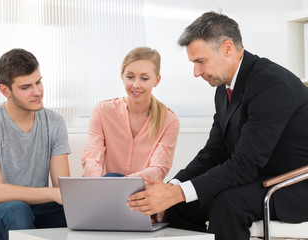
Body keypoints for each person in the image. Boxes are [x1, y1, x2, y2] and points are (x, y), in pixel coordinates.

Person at [127, 11, 308, 240]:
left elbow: (245, 165)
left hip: (294, 185)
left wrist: (177, 192)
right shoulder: (224, 89)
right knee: (174, 208)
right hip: (258, 180)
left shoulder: (272, 84)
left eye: (201, 62)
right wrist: (171, 188)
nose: (196, 72)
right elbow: (213, 153)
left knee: (227, 203)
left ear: (227, 48)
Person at [0, 48, 71, 240]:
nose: (37, 92)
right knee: (17, 210)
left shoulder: (54, 122)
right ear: (4, 90)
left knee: (72, 212)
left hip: (31, 209)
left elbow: (63, 188)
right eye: (26, 87)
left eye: (38, 82)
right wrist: (52, 193)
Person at [82, 47, 180, 180]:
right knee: (111, 177)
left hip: (142, 192)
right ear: (122, 76)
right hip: (107, 187)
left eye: (144, 78)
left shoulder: (169, 120)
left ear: (157, 80)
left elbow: (158, 169)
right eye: (130, 77)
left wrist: (123, 184)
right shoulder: (102, 111)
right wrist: (99, 187)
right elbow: (92, 159)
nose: (136, 84)